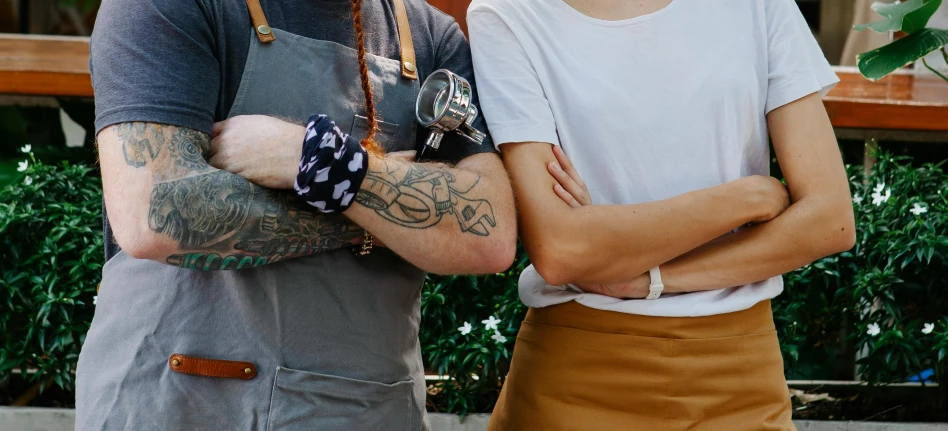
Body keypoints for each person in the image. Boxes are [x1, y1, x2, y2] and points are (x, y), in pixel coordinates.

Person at [76, 0, 516, 429]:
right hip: (178, 401)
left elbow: (488, 234)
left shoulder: (431, 35)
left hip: (364, 407)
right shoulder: (166, 7)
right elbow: (157, 214)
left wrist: (312, 157)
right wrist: (376, 203)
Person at [468, 0, 855, 429]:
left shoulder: (756, 6)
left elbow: (829, 220)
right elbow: (563, 249)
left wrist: (648, 279)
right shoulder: (509, 13)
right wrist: (746, 196)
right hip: (576, 377)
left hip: (739, 378)